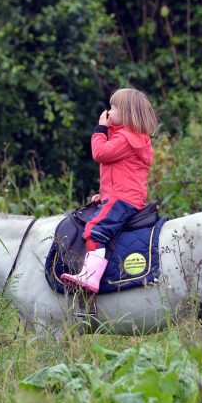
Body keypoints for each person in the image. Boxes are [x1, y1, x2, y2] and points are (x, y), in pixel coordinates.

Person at [61, 88, 158, 293]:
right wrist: (103, 195)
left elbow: (100, 153)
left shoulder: (126, 139)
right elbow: (118, 173)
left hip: (122, 198)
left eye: (113, 107)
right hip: (122, 196)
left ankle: (90, 277)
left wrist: (100, 130)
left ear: (127, 112)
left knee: (96, 229)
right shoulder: (130, 138)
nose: (109, 111)